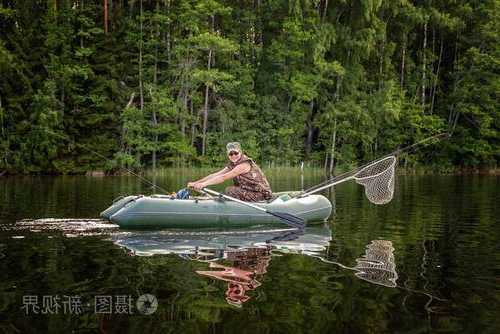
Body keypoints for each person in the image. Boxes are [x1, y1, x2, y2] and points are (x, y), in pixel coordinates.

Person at [187, 142, 272, 202]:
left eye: (235, 153)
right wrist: (196, 183)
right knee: (230, 191)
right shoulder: (233, 164)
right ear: (228, 155)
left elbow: (223, 177)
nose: (233, 156)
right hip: (249, 191)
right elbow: (216, 174)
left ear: (240, 152)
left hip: (261, 194)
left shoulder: (244, 165)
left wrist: (204, 184)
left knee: (230, 190)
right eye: (231, 154)